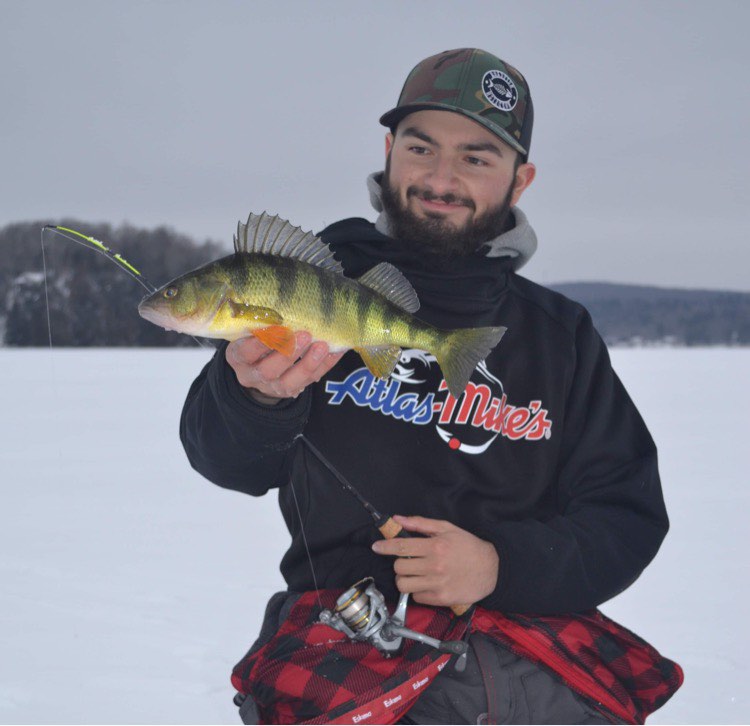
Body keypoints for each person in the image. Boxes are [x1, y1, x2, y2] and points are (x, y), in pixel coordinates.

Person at [180, 48, 671, 724]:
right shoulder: (317, 288)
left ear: (519, 180)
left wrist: (500, 566)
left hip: (531, 654)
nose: (441, 177)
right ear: (389, 150)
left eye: (476, 157)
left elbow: (627, 517)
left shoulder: (561, 336)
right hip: (345, 651)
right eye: (421, 147)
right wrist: (253, 397)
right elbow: (225, 459)